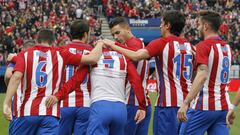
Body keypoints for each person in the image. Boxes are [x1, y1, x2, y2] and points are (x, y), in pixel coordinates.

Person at [102, 10, 195, 135]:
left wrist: (112, 45)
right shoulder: (190, 46)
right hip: (187, 104)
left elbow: (136, 55)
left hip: (166, 104)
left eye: (162, 23)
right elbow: (199, 73)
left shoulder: (160, 43)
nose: (160, 26)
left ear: (168, 25)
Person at [2, 29, 104, 135]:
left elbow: (16, 77)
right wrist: (100, 43)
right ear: (53, 42)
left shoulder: (24, 54)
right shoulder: (61, 53)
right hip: (50, 113)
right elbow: (93, 58)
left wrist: (7, 103)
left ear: (37, 40)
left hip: (27, 112)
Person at [45, 45, 147, 135]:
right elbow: (136, 81)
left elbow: (76, 80)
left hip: (100, 107)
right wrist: (142, 106)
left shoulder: (93, 57)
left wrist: (58, 95)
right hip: (120, 109)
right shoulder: (124, 58)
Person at [177, 10, 232, 135]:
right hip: (222, 107)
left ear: (206, 26)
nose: (198, 27)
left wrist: (186, 103)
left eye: (199, 24)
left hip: (204, 106)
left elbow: (202, 75)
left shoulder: (204, 45)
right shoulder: (226, 47)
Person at [108, 17, 151, 135]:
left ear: (127, 28)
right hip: (142, 102)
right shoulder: (137, 44)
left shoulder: (133, 44)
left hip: (132, 102)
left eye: (117, 32)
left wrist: (112, 45)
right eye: (113, 35)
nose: (116, 37)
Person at [58, 20, 93, 135]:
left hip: (64, 103)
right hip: (85, 104)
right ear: (85, 34)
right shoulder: (92, 51)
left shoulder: (61, 50)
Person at [4, 40, 35, 134]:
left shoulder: (17, 59)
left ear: (23, 49)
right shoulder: (42, 60)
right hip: (39, 107)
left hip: (19, 107)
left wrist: (11, 90)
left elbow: (8, 75)